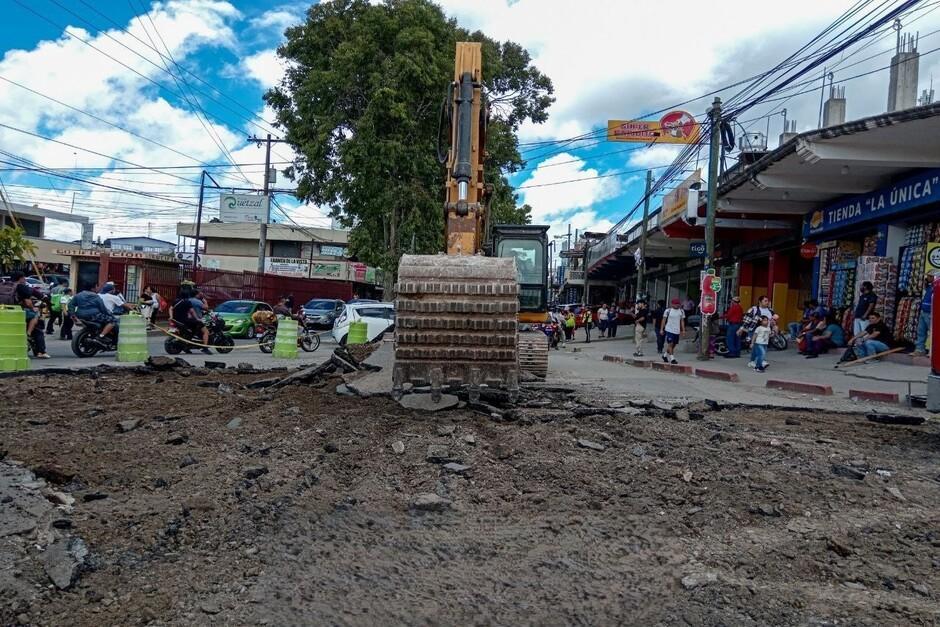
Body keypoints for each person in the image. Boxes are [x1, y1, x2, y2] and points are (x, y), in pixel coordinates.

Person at [12, 272, 49, 358]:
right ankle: (30, 337)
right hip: (19, 312)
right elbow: (28, 302)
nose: (25, 280)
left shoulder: (6, 285)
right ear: (20, 278)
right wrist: (33, 308)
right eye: (24, 278)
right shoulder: (21, 287)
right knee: (35, 317)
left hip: (5, 312)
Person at [172, 285, 211, 353]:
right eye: (200, 293)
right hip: (190, 321)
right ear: (196, 294)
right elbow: (194, 311)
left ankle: (186, 346)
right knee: (206, 332)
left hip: (180, 321)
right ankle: (205, 348)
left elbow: (171, 309)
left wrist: (171, 317)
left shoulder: (179, 301)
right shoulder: (195, 301)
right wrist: (205, 302)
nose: (201, 293)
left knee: (191, 332)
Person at [660, 298, 685, 364]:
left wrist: (683, 330)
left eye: (678, 304)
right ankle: (672, 359)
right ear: (672, 304)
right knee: (670, 343)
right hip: (669, 329)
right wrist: (661, 329)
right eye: (675, 304)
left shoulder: (681, 311)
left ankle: (665, 355)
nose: (677, 305)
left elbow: (682, 321)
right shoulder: (668, 311)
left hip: (677, 330)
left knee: (673, 345)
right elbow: (664, 320)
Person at [914, 274, 933, 355]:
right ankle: (920, 349)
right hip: (923, 311)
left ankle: (933, 351)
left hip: (930, 312)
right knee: (921, 331)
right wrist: (925, 284)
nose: (927, 278)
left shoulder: (937, 287)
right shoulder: (929, 287)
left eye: (929, 276)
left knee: (932, 332)